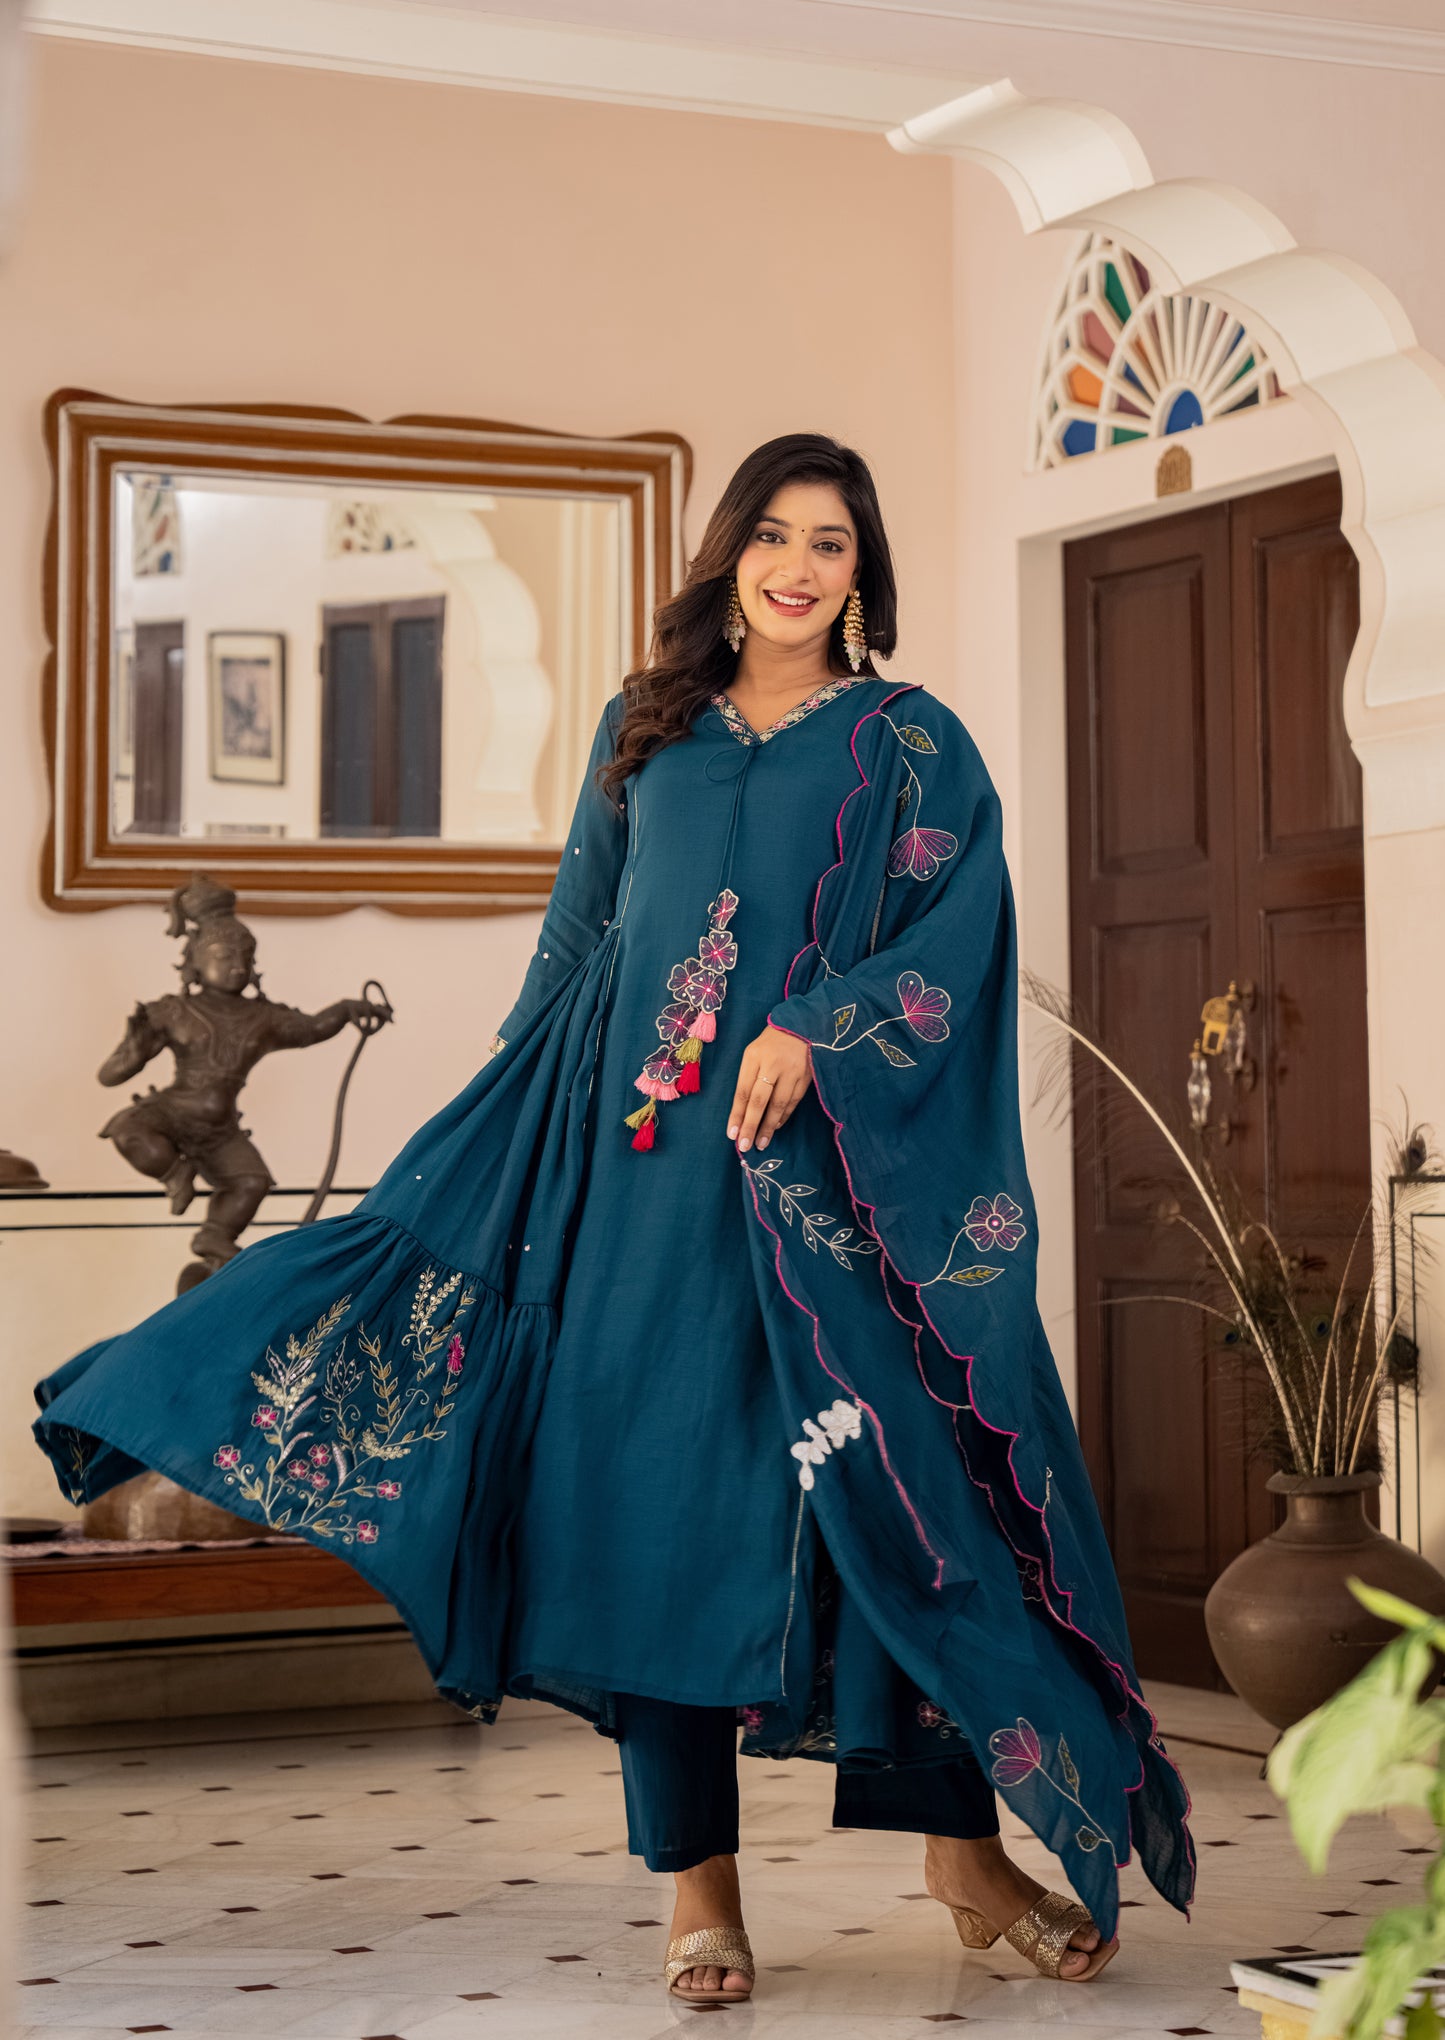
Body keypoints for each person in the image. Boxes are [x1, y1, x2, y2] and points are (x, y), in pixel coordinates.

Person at [34, 434, 1193, 2010]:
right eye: (773, 536)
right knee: (646, 1507)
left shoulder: (911, 744)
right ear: (726, 556)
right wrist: (493, 1140)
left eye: (831, 543)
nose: (797, 566)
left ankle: (959, 1858)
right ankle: (696, 1889)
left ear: (865, 573)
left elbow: (959, 938)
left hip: (826, 1196)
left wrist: (820, 1026)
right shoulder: (645, 734)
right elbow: (578, 950)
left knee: (882, 1499)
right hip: (635, 1185)